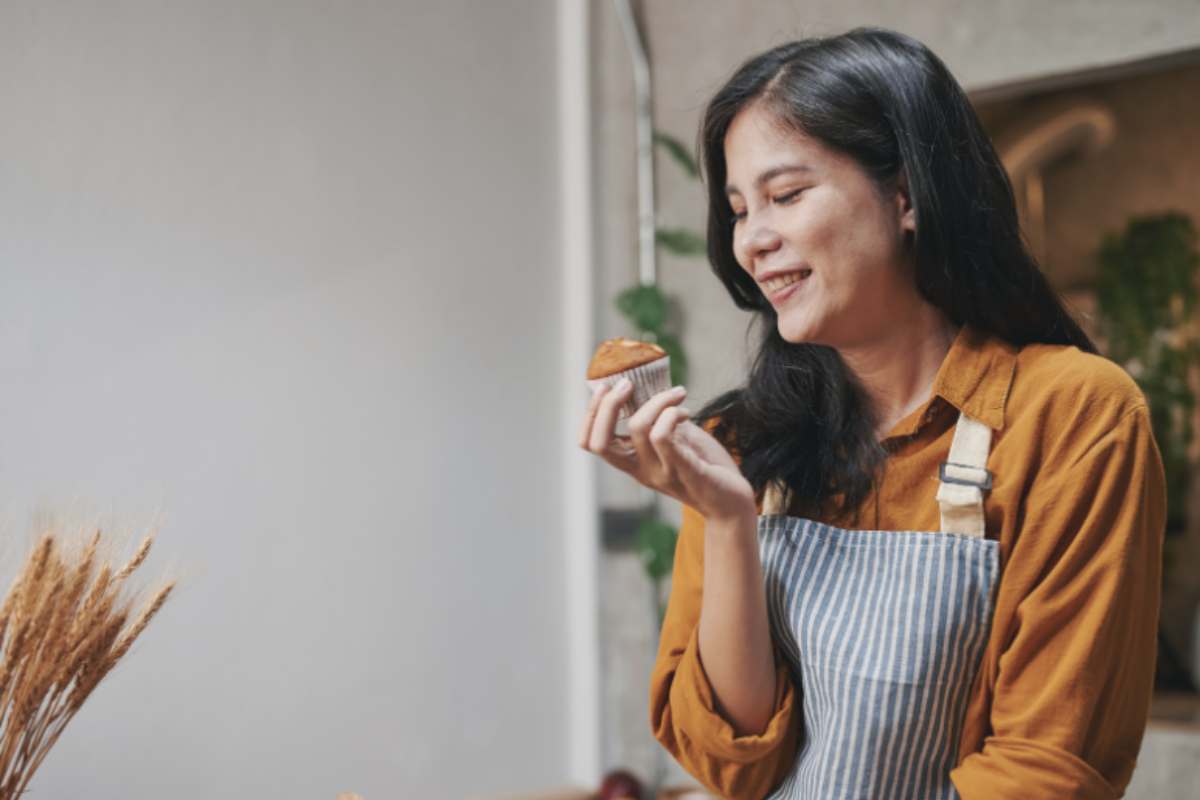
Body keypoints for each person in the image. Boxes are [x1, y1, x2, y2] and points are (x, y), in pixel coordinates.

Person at [577, 27, 1166, 800]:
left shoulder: (1075, 416)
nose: (752, 239)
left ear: (907, 194)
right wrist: (728, 521)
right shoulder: (739, 447)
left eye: (785, 195)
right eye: (738, 208)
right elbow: (734, 764)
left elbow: (1045, 769)